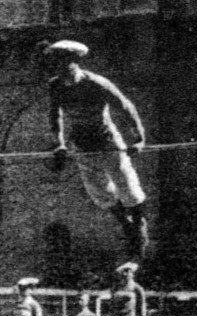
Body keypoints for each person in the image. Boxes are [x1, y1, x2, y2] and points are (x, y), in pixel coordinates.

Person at [44, 40, 151, 261]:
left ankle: (139, 227)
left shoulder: (96, 83)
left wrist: (139, 138)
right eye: (56, 64)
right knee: (99, 192)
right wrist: (59, 143)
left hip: (107, 142)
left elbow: (126, 107)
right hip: (82, 146)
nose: (60, 69)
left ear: (74, 63)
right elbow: (55, 116)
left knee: (128, 188)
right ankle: (126, 224)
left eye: (64, 64)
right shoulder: (55, 86)